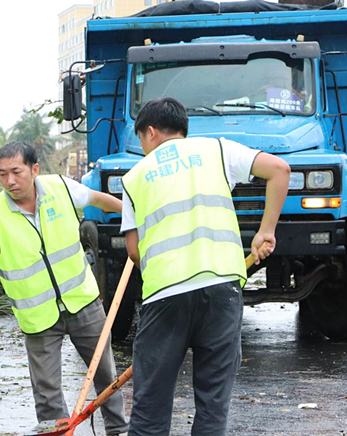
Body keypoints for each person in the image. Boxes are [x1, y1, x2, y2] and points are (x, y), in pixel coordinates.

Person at [121, 97, 290, 436]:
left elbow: (134, 250)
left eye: (141, 140)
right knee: (213, 407)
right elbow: (279, 170)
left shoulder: (134, 176)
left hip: (164, 296)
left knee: (150, 410)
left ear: (150, 132)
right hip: (222, 290)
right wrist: (265, 231)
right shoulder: (217, 149)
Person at [0, 142, 129, 436]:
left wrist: (131, 214)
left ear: (34, 169)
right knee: (47, 390)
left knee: (105, 374)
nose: (10, 181)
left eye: (16, 172)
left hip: (83, 303)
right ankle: (56, 433)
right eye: (3, 174)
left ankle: (118, 430)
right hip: (39, 317)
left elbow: (99, 200)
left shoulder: (61, 188)